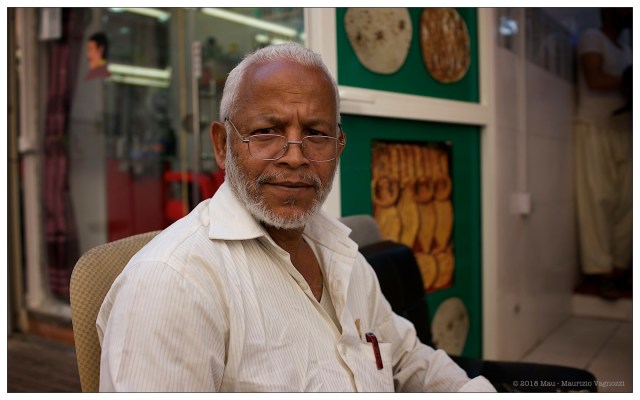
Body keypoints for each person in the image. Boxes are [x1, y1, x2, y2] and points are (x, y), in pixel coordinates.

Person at [97, 42, 495, 392]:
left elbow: (408, 360)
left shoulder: (341, 253)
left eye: (316, 134)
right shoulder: (173, 283)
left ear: (338, 146)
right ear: (222, 145)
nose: (294, 156)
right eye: (267, 131)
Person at [574, 8, 632, 299]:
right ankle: (601, 272)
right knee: (598, 198)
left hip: (625, 129)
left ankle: (620, 268)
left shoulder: (627, 49)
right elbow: (594, 78)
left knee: (628, 202)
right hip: (595, 127)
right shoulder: (592, 37)